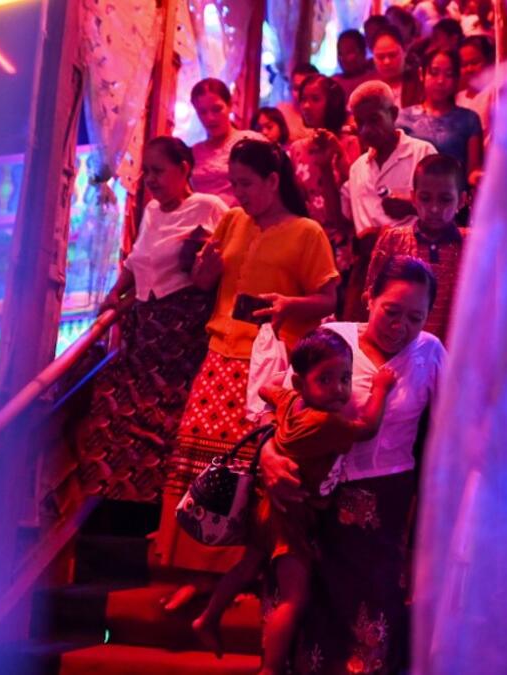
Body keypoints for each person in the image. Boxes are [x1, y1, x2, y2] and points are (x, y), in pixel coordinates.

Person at [157, 139, 340, 573]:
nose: (239, 193)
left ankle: (230, 570)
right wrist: (205, 268)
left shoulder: (305, 232)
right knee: (195, 453)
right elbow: (205, 284)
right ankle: (184, 565)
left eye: (247, 184)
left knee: (244, 462)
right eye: (235, 184)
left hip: (270, 363)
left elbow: (328, 298)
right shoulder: (234, 221)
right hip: (220, 351)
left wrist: (288, 305)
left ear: (274, 181)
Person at [258, 256, 447, 675]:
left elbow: (457, 431)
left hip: (384, 505)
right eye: (391, 311)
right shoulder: (331, 339)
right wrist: (269, 456)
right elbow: (280, 407)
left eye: (415, 317)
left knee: (371, 609)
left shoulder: (429, 353)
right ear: (368, 299)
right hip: (309, 496)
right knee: (308, 603)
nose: (401, 326)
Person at [192, 329, 399, 674]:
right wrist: (380, 388)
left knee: (248, 565)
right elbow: (366, 427)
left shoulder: (291, 403)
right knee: (294, 596)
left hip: (265, 508)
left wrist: (285, 387)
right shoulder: (325, 422)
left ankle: (209, 617)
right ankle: (270, 669)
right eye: (326, 379)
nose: (338, 388)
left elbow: (266, 389)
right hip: (291, 519)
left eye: (345, 378)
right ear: (303, 384)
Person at [77, 136, 227, 502]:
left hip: (181, 331)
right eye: (146, 172)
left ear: (184, 168)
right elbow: (137, 260)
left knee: (162, 415)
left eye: (158, 171)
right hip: (144, 326)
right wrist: (116, 293)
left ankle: (157, 500)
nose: (151, 180)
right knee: (111, 402)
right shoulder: (152, 211)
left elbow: (226, 259)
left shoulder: (209, 207)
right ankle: (113, 494)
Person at [340, 81, 436, 320]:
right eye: (360, 123)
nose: (366, 130)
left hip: (409, 270)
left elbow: (445, 210)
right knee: (358, 345)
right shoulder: (357, 168)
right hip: (365, 271)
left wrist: (412, 204)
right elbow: (346, 220)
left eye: (374, 120)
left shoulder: (422, 153)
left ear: (393, 114)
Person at [366, 155, 468, 345]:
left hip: (456, 351)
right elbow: (372, 296)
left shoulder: (472, 245)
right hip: (399, 349)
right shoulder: (393, 239)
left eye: (445, 200)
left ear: (461, 200)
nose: (434, 208)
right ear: (413, 197)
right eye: (425, 198)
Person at [288, 75, 363, 286]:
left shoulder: (350, 143)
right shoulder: (297, 148)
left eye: (315, 99)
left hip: (343, 242)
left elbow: (354, 193)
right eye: (303, 99)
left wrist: (337, 157)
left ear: (333, 102)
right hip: (308, 240)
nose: (306, 106)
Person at [397, 49, 484, 185]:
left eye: (449, 74)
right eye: (434, 73)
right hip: (413, 195)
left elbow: (473, 170)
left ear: (457, 78)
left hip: (454, 197)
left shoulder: (469, 119)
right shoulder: (403, 118)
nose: (441, 81)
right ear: (422, 74)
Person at [190, 78, 266, 206]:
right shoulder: (194, 152)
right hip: (202, 222)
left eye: (216, 109)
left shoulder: (251, 142)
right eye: (202, 112)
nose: (210, 118)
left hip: (242, 220)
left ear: (230, 105)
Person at [372, 27, 424, 108]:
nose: (387, 62)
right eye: (380, 57)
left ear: (404, 52)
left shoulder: (420, 81)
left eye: (392, 55)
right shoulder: (369, 89)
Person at [457, 35, 495, 144]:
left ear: (488, 61)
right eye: (464, 65)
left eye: (475, 62)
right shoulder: (457, 97)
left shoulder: (494, 93)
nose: (469, 69)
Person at [334, 29, 377, 98]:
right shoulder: (333, 83)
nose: (344, 58)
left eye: (349, 53)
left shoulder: (375, 81)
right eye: (340, 53)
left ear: (363, 53)